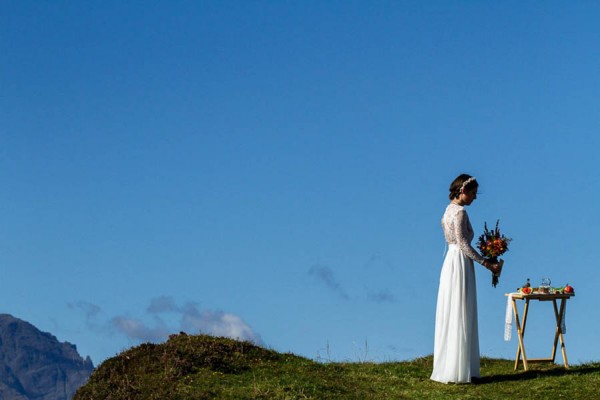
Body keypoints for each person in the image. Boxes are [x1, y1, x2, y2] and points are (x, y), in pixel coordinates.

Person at [430, 174, 502, 384]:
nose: (474, 198)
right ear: (462, 191)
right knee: (461, 309)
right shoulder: (460, 212)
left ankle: (453, 366)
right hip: (460, 262)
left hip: (450, 262)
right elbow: (463, 244)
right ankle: (460, 369)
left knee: (453, 310)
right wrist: (487, 263)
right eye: (473, 193)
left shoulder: (447, 210)